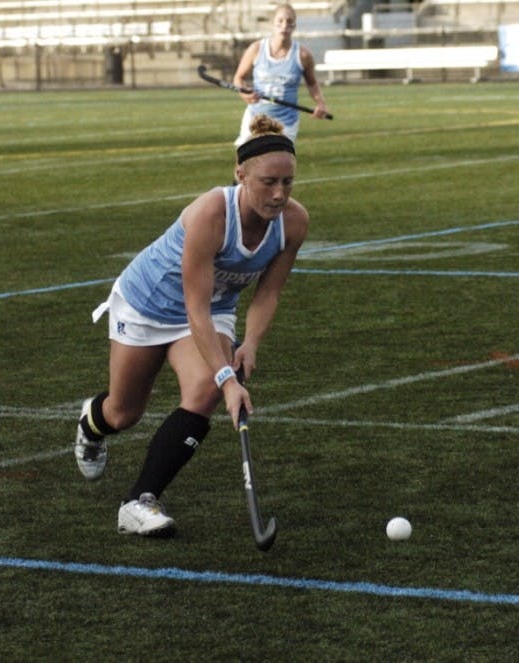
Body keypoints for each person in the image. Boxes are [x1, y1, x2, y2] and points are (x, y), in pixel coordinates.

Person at [74, 114, 309, 538]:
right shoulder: (211, 213)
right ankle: (91, 424)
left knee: (204, 391)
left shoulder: (294, 222)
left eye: (287, 182)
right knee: (123, 413)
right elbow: (193, 306)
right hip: (147, 304)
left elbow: (269, 293)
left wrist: (250, 344)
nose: (279, 194)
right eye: (268, 182)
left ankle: (138, 502)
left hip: (213, 307)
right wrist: (229, 380)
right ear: (241, 175)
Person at [231, 4, 329, 146]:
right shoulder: (256, 49)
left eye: (289, 21)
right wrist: (244, 93)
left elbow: (312, 83)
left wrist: (321, 104)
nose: (284, 25)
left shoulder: (303, 55)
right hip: (256, 118)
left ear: (294, 26)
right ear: (273, 23)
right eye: (280, 21)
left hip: (286, 122)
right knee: (245, 157)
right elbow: (239, 78)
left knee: (280, 159)